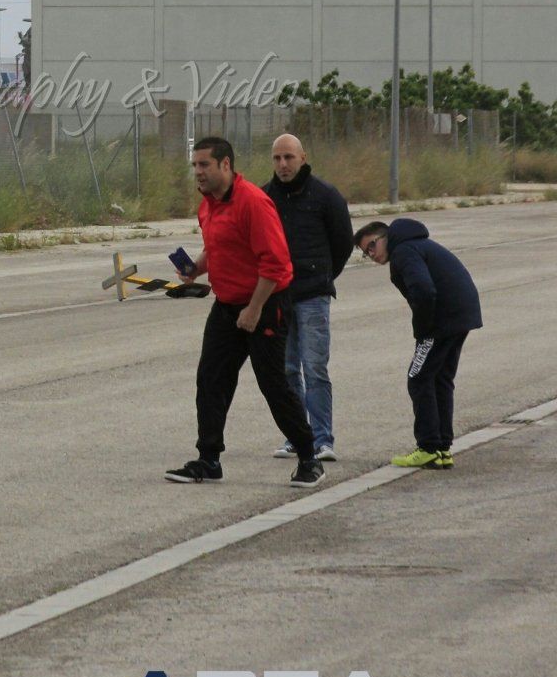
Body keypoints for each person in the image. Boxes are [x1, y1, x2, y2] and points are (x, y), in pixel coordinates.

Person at [166, 137, 325, 489]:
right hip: (226, 306)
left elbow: (276, 263)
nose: (198, 172)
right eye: (195, 166)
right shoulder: (208, 205)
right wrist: (196, 269)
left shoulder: (254, 202)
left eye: (204, 165)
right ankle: (208, 459)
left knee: (274, 385)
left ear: (226, 165)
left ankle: (309, 458)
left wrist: (254, 309)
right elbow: (217, 247)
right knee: (211, 380)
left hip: (265, 305)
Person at [354, 219, 482, 470]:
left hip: (442, 321)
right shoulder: (416, 245)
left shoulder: (404, 252)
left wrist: (423, 330)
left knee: (419, 377)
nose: (371, 255)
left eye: (371, 246)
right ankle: (442, 448)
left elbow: (423, 290)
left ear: (385, 237)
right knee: (440, 379)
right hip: (460, 316)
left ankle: (428, 447)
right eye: (364, 253)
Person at [262, 134, 353, 461]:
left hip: (313, 296)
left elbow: (343, 243)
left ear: (303, 157)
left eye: (288, 157)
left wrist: (322, 277)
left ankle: (322, 439)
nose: (283, 165)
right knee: (287, 370)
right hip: (279, 297)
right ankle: (296, 436)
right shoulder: (265, 197)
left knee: (315, 368)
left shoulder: (326, 196)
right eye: (277, 158)